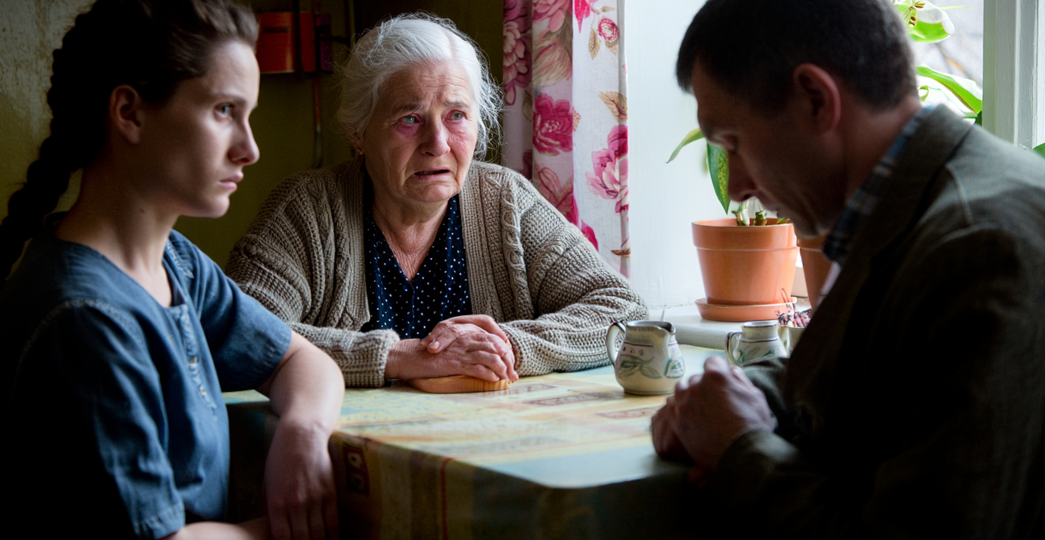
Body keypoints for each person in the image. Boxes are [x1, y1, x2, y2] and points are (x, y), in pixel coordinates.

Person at [651, 0, 1045, 538]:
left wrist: (742, 450)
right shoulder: (901, 210)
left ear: (815, 99)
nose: (737, 187)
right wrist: (738, 395)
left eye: (734, 144)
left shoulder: (977, 249)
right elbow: (868, 384)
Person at [0, 1, 345, 538]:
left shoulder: (175, 262)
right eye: (223, 111)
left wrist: (304, 435)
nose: (250, 149)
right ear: (130, 112)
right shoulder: (83, 320)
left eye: (249, 115)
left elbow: (298, 359)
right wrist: (332, 522)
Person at [226, 14, 647, 388]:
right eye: (409, 119)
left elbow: (622, 309)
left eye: (456, 115)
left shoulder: (505, 202)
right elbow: (238, 332)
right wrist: (402, 357)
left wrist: (502, 346)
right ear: (358, 132)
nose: (438, 143)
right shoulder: (308, 210)